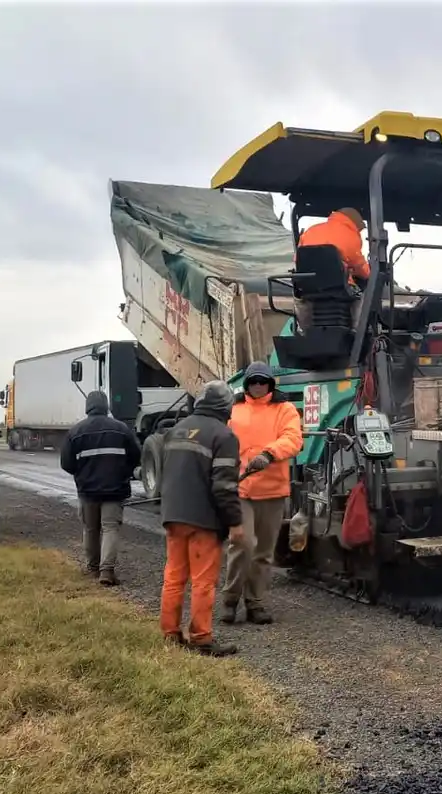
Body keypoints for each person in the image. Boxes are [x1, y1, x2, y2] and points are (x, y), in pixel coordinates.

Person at [158, 380, 246, 655]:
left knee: (174, 577)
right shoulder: (223, 436)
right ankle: (201, 638)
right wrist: (235, 522)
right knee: (203, 581)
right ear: (226, 407)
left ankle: (170, 634)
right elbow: (224, 487)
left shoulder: (175, 430)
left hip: (174, 514)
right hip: (203, 520)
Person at [221, 361, 304, 625]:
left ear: (270, 384)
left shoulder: (285, 409)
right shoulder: (232, 409)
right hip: (241, 488)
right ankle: (230, 599)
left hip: (272, 491)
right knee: (242, 543)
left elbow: (293, 439)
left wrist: (269, 453)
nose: (258, 386)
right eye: (254, 381)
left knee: (264, 552)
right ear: (246, 384)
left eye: (263, 382)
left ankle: (255, 602)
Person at [59, 389, 142, 585]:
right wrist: (124, 472)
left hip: (87, 491)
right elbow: (136, 456)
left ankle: (92, 568)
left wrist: (82, 475)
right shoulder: (121, 429)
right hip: (115, 490)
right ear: (106, 407)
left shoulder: (75, 432)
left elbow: (66, 463)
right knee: (110, 528)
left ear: (88, 407)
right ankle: (107, 571)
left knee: (90, 529)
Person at [295, 208, 370, 332]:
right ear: (354, 223)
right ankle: (358, 330)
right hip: (339, 286)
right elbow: (358, 265)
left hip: (308, 285)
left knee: (302, 300)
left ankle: (304, 331)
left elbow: (298, 259)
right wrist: (369, 273)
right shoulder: (350, 235)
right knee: (363, 295)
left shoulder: (311, 230)